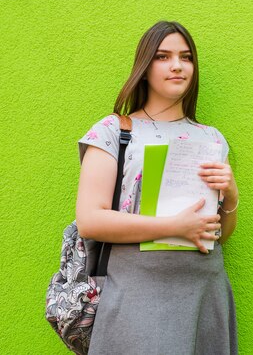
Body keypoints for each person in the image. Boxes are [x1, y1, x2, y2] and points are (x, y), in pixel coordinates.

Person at [75, 21, 239, 354]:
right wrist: (172, 226)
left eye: (186, 57)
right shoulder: (114, 130)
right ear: (145, 68)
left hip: (204, 290)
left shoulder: (212, 138)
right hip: (138, 291)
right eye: (163, 56)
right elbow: (90, 220)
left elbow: (220, 234)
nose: (177, 65)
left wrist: (231, 197)